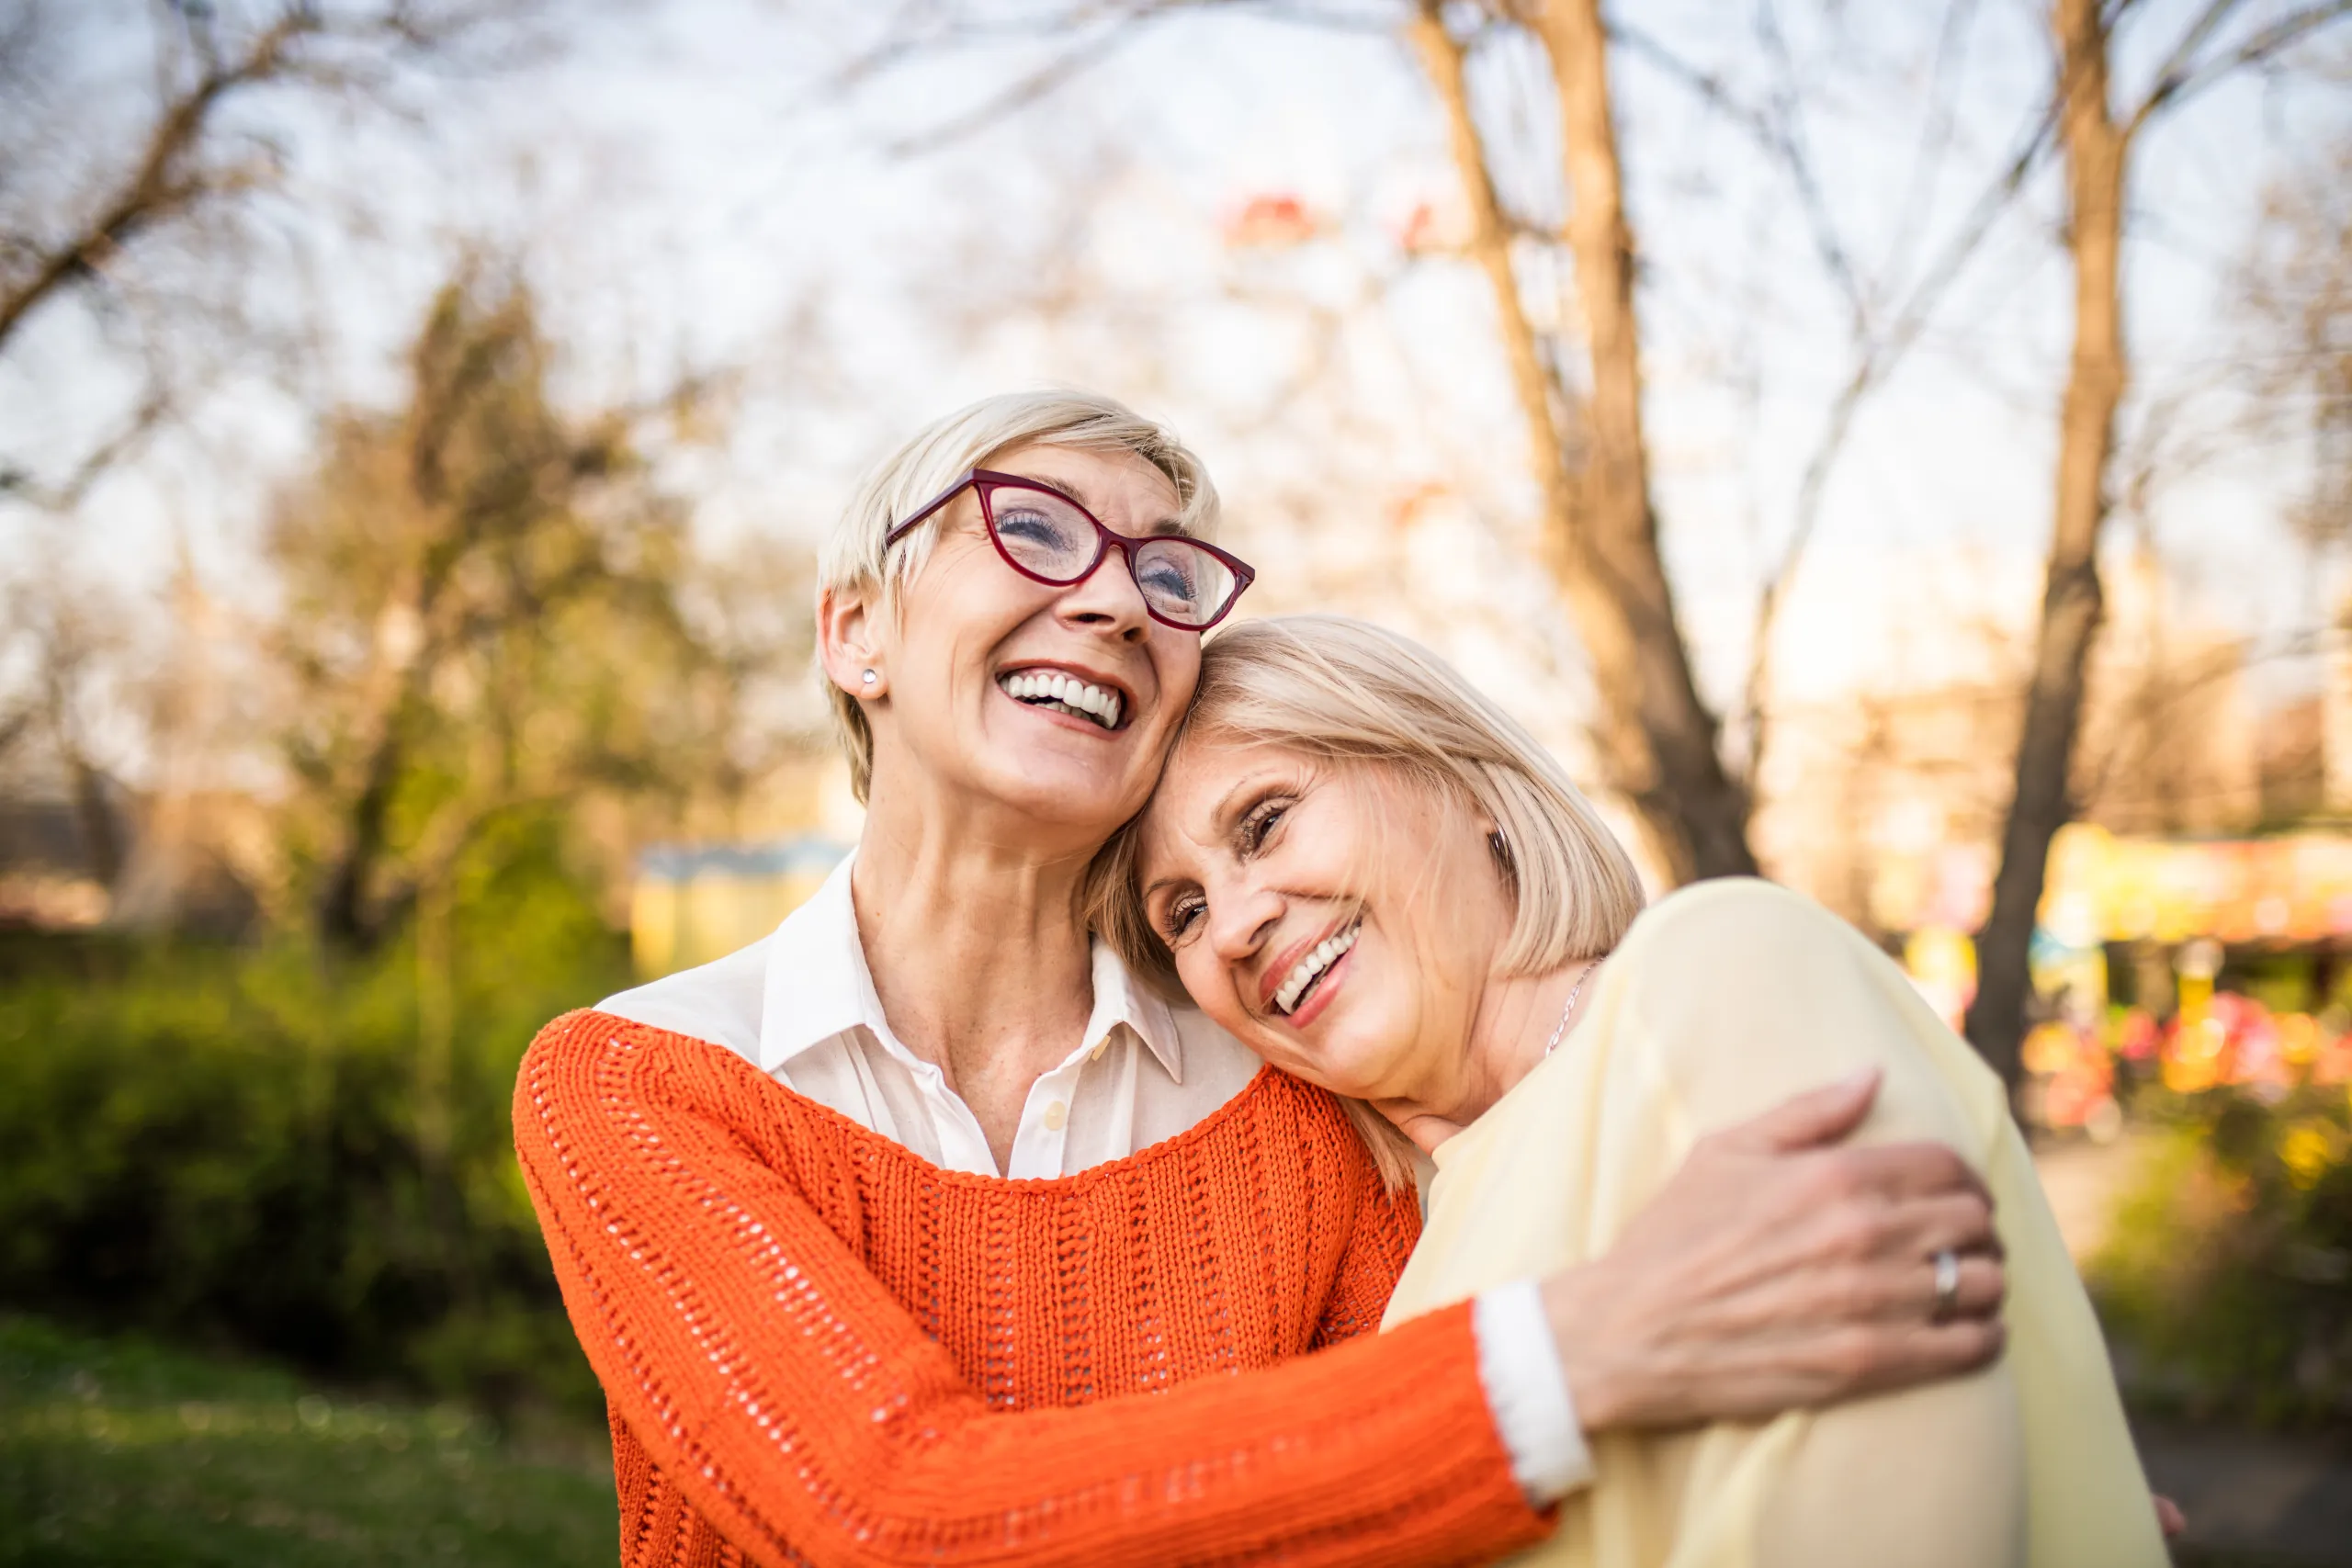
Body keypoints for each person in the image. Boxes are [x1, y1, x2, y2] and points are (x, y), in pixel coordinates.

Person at [514, 390, 2008, 1567]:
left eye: (1167, 575)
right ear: (858, 631)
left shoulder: (1292, 1100)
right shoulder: (639, 1081)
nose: (1112, 600)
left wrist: (1959, 1461)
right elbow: (884, 1516)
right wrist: (1575, 1356)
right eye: (1032, 529)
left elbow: (1472, 1508)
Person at [1104, 614, 2170, 1567]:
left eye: (1265, 821)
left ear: (1465, 784)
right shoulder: (1412, 1280)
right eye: (1183, 914)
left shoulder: (1714, 972)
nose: (1235, 923)